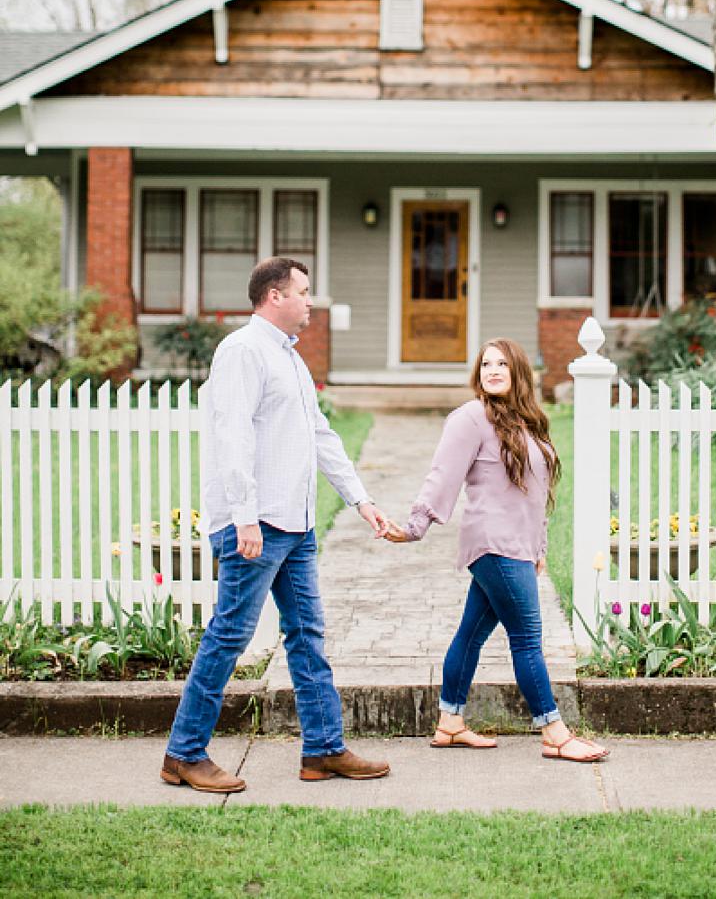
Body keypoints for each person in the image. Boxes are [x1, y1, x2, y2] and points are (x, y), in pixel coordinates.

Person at [161, 256, 391, 792]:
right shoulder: (241, 352)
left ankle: (324, 750)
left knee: (308, 636)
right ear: (273, 296)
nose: (311, 301)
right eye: (304, 291)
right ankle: (183, 753)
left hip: (295, 524)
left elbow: (320, 435)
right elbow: (232, 437)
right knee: (230, 635)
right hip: (256, 525)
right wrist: (244, 517)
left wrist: (361, 500)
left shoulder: (289, 358)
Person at [384, 338, 608, 763]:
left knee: (472, 634)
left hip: (516, 546)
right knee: (527, 639)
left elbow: (536, 494)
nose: (492, 370)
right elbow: (443, 475)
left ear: (518, 371)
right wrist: (415, 526)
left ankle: (450, 723)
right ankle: (555, 733)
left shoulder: (527, 422)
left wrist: (538, 546)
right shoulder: (470, 418)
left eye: (502, 363)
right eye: (486, 364)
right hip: (493, 544)